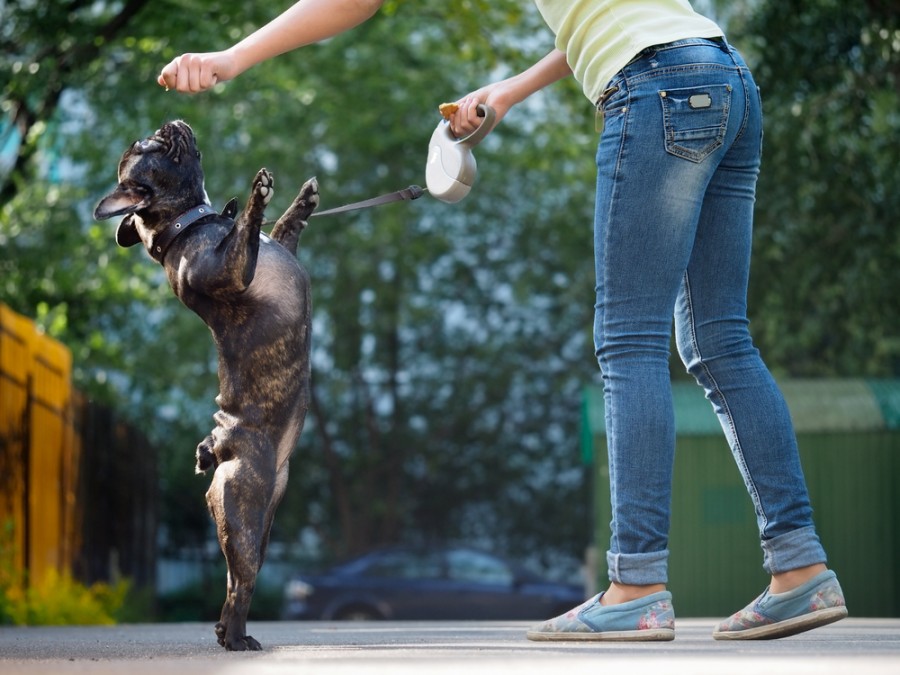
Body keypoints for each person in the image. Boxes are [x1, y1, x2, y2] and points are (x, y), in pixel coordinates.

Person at [159, 0, 848, 641]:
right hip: (724, 79)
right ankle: (800, 569)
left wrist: (232, 57)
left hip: (655, 85)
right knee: (721, 340)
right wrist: (513, 89)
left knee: (630, 341)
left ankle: (636, 582)